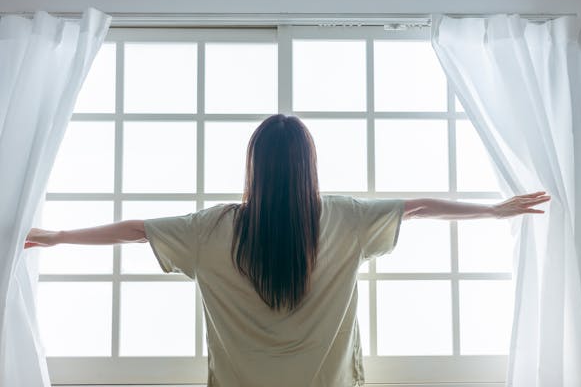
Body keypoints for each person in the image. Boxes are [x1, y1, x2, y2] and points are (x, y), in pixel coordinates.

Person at [24, 114, 550, 387]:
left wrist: (58, 236)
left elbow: (136, 229)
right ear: (308, 167)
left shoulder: (212, 228)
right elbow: (419, 207)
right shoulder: (345, 217)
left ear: (255, 167)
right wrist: (490, 211)